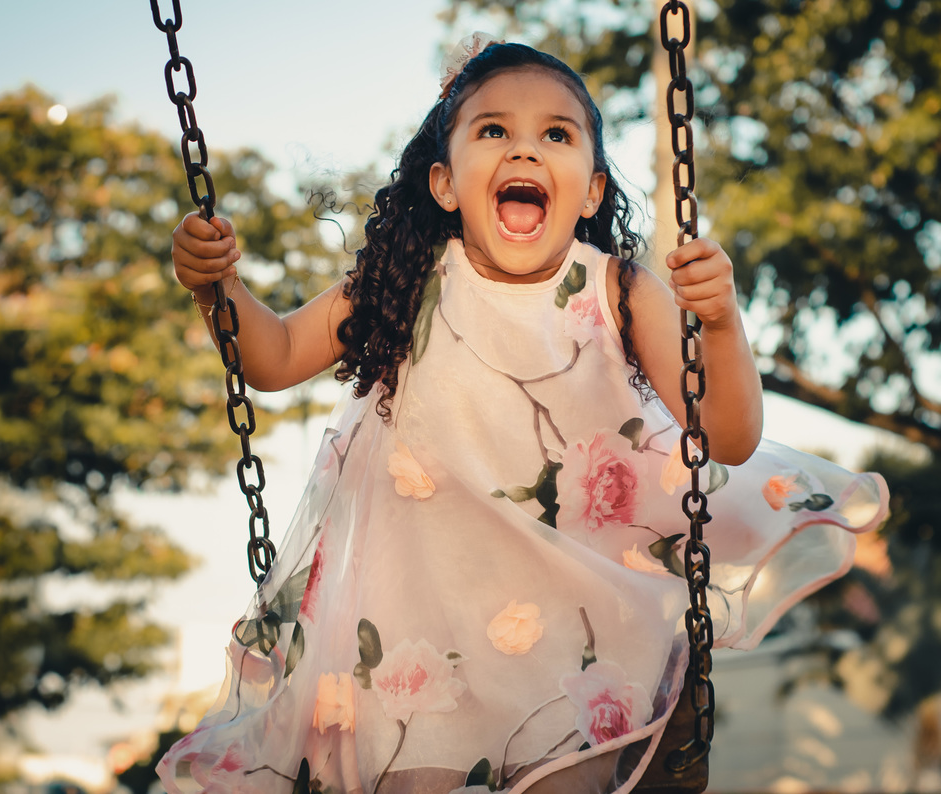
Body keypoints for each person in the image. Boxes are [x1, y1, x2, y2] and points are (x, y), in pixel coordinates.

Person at [156, 38, 890, 794]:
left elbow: (727, 434)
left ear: (594, 190)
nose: (526, 151)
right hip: (423, 633)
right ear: (445, 182)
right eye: (494, 131)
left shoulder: (620, 290)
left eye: (557, 135)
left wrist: (724, 326)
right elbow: (272, 356)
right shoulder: (405, 281)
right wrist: (220, 292)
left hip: (575, 629)